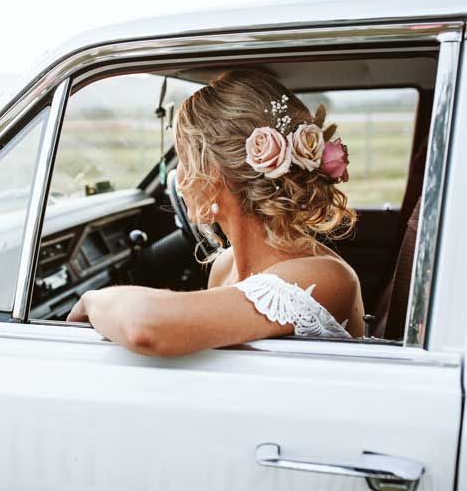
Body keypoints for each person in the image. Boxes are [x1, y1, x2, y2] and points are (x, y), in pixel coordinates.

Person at [68, 69, 364, 355]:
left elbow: (147, 326)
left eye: (185, 160)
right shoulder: (225, 265)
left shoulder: (327, 276)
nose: (180, 180)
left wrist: (90, 300)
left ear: (218, 173)